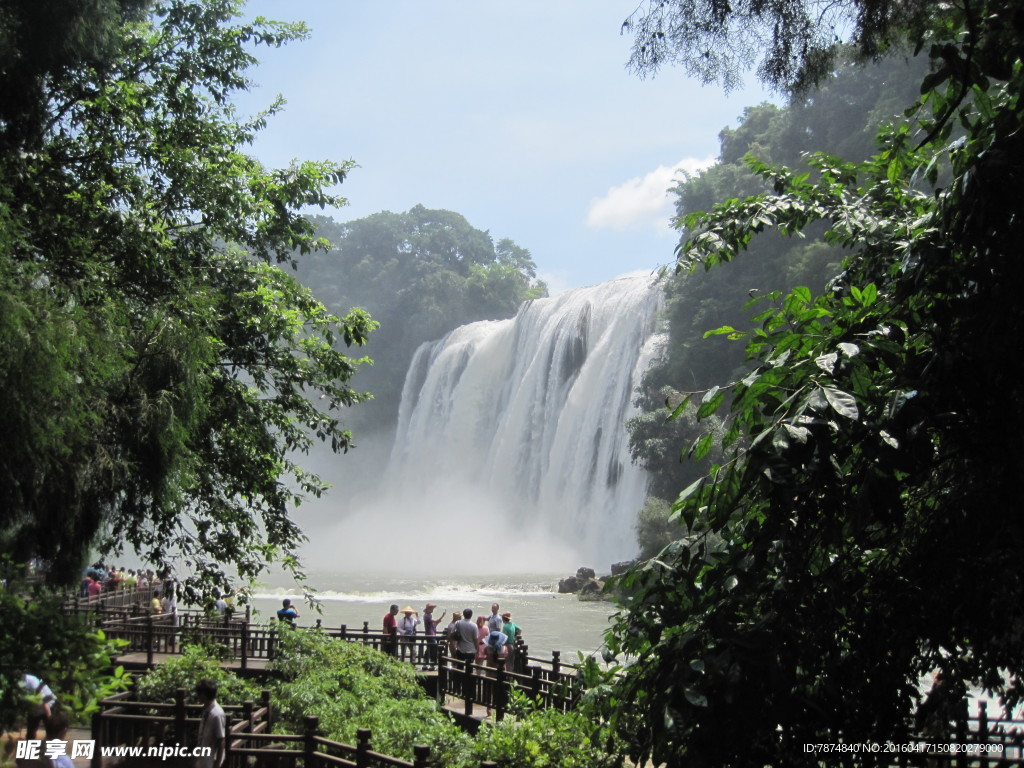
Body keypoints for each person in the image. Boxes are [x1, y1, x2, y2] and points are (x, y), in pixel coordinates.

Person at [194, 679, 226, 768]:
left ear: (204, 695)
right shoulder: (206, 710)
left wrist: (217, 765)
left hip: (211, 760)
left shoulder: (217, 714)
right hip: (202, 757)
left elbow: (221, 741)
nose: (198, 697)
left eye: (199, 694)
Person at [20, 674, 57, 740]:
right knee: (30, 733)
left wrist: (50, 719)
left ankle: (51, 745)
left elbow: (44, 702)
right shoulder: (23, 683)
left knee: (50, 730)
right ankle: (30, 745)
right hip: (35, 708)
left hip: (48, 705)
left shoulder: (34, 685)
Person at [421, 603, 446, 671]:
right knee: (434, 649)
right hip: (430, 635)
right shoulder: (427, 616)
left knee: (429, 649)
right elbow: (435, 621)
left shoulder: (429, 615)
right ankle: (432, 664)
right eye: (431, 608)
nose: (432, 609)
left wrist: (439, 621)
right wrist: (442, 616)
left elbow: (434, 624)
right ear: (427, 609)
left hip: (432, 634)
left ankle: (425, 663)